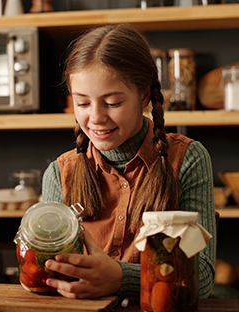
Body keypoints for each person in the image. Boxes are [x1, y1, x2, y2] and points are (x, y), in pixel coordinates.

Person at [41, 24, 216, 299]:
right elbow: (48, 271)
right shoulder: (59, 173)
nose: (96, 117)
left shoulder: (187, 159)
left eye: (112, 103)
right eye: (83, 103)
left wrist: (120, 278)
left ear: (144, 94)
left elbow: (201, 277)